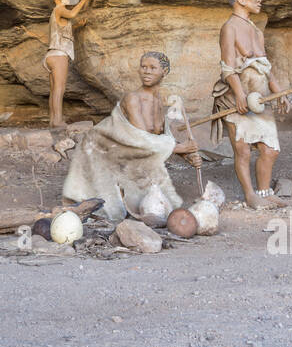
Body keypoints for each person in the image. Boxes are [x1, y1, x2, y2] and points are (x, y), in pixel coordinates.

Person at [62, 51, 200, 221]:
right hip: (99, 152)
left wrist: (187, 155)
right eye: (143, 67)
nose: (147, 71)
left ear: (164, 72)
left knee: (156, 203)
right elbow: (140, 141)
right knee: (113, 212)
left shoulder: (159, 102)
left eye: (152, 68)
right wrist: (180, 148)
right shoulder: (133, 99)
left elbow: (162, 137)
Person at [212, 0, 291, 209]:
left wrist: (279, 93)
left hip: (259, 100)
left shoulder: (256, 30)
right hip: (235, 98)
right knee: (243, 150)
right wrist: (239, 95)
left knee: (270, 149)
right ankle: (250, 195)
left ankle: (265, 192)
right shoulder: (230, 28)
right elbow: (227, 67)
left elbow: (266, 67)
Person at [44, 0, 97, 127]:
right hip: (59, 55)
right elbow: (73, 13)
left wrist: (77, 26)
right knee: (60, 89)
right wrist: (84, 0)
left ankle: (53, 120)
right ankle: (59, 121)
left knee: (54, 90)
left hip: (51, 55)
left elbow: (63, 29)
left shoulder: (57, 15)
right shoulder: (59, 9)